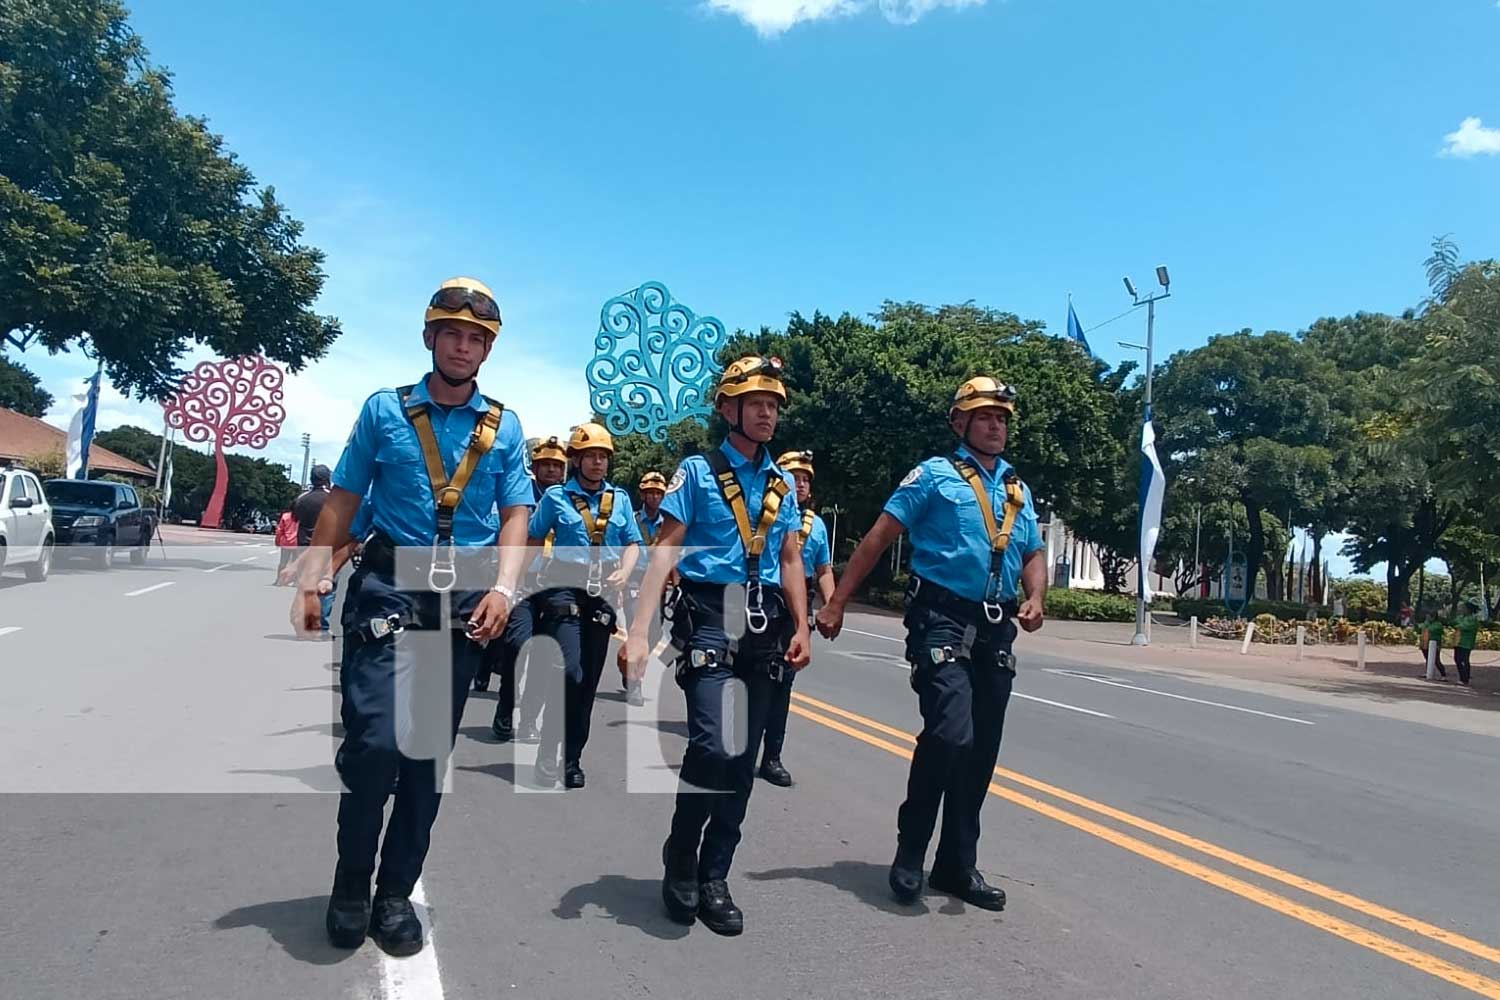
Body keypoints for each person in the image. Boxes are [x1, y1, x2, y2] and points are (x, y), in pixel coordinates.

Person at [293, 276, 531, 957]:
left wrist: (505, 590)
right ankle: (349, 885)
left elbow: (516, 513)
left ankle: (394, 895)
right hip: (389, 590)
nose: (463, 347)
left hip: (462, 602)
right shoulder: (384, 411)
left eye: (476, 338)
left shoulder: (505, 426)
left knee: (426, 760)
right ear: (431, 338)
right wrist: (314, 579)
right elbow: (343, 499)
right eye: (452, 334)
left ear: (487, 349)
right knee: (373, 748)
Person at [817, 376, 1046, 913]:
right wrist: (837, 602)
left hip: (996, 626)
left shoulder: (1017, 488)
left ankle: (956, 865)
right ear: (960, 423)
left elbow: (1032, 550)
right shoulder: (933, 477)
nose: (997, 425)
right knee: (949, 733)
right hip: (940, 618)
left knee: (981, 750)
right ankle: (910, 850)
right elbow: (879, 537)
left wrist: (1036, 596)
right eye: (986, 416)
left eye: (1003, 418)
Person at [621, 355, 812, 936]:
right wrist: (637, 630)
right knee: (712, 744)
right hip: (709, 613)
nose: (766, 414)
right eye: (755, 403)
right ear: (727, 409)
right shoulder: (698, 472)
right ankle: (681, 856)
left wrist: (802, 625)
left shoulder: (781, 482)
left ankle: (714, 874)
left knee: (743, 760)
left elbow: (789, 558)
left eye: (773, 405)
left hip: (766, 622)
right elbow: (666, 551)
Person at [524, 423, 640, 789]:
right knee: (569, 671)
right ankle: (547, 752)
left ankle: (570, 759)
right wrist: (517, 582)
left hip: (603, 593)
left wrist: (625, 569)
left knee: (587, 682)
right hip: (562, 588)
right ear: (575, 460)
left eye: (603, 457)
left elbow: (634, 543)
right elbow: (532, 537)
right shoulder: (556, 498)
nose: (597, 463)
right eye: (590, 456)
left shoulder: (620, 500)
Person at [757, 449, 835, 788]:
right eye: (794, 478)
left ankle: (772, 757)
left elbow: (823, 569)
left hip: (796, 606)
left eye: (805, 480)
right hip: (762, 599)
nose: (800, 484)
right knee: (752, 676)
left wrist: (832, 605)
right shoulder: (763, 512)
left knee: (784, 682)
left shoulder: (816, 525)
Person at [478, 436, 567, 717]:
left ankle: (528, 717)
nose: (552, 470)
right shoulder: (518, 493)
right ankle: (505, 705)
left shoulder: (572, 498)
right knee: (516, 643)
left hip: (555, 583)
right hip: (519, 579)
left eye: (557, 465)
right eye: (546, 464)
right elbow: (497, 526)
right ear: (535, 466)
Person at [621, 470, 668, 707]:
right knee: (634, 626)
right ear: (642, 494)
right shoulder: (633, 519)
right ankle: (635, 683)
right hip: (634, 578)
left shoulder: (669, 523)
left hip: (658, 581)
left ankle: (630, 663)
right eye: (650, 493)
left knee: (655, 632)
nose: (654, 498)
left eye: (659, 493)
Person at [293, 466, 336, 629]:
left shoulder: (302, 498)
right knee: (325, 587)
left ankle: (305, 624)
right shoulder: (331, 498)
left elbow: (295, 517)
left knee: (306, 585)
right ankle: (320, 626)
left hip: (303, 546)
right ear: (327, 479)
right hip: (325, 546)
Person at [1454, 601, 1480, 686]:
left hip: (1466, 643)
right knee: (1457, 659)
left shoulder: (1473, 619)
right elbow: (1455, 623)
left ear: (1468, 609)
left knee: (1464, 660)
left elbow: (1464, 626)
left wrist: (1459, 625)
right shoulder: (1461, 617)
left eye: (1463, 608)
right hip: (1458, 641)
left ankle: (1465, 679)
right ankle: (1463, 677)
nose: (1461, 609)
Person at [1418, 610, 1446, 679]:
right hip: (1425, 643)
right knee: (1428, 658)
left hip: (1434, 645)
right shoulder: (1426, 622)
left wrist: (1425, 626)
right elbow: (1421, 628)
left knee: (1436, 660)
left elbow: (1430, 629)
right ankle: (1428, 672)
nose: (1427, 618)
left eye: (1429, 616)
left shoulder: (1438, 624)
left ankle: (1443, 674)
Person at [274, 507, 299, 584]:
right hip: (297, 542)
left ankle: (279, 580)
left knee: (283, 562)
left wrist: (277, 541)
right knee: (297, 563)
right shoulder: (302, 517)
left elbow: (279, 530)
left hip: (286, 543)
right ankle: (295, 581)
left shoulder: (285, 516)